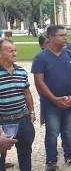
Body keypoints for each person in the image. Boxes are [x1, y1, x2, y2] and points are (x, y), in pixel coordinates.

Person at [31, 25, 71, 171]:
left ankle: (70, 155)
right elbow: (39, 81)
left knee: (69, 130)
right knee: (52, 132)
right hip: (50, 103)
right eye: (61, 35)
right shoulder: (41, 57)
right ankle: (51, 161)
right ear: (51, 37)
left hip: (70, 101)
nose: (65, 38)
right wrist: (54, 99)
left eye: (66, 35)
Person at [0, 39, 36, 171]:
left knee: (25, 153)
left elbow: (27, 93)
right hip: (2, 122)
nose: (14, 53)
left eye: (15, 50)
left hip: (23, 119)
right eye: (10, 51)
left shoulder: (21, 72)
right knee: (0, 155)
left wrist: (31, 112)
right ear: (1, 54)